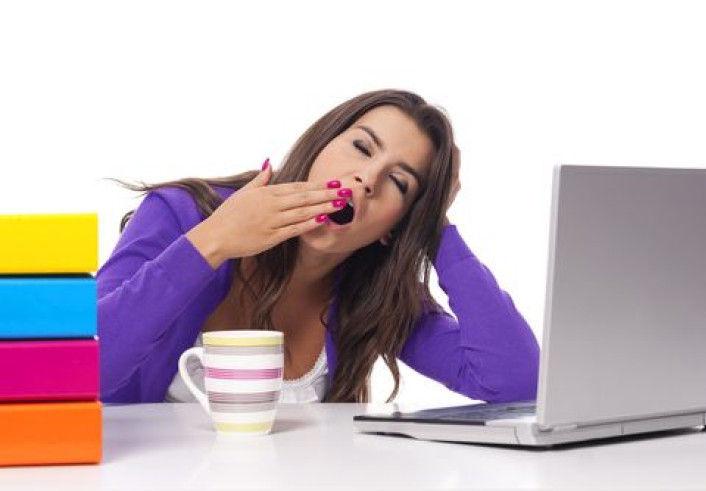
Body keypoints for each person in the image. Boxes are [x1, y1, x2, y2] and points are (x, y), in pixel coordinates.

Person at [97, 89, 540, 404]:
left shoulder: (375, 298)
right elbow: (86, 369)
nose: (368, 179)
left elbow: (517, 383)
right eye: (362, 148)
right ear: (317, 148)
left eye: (399, 183)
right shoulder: (184, 215)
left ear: (393, 227)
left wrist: (436, 229)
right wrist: (214, 241)